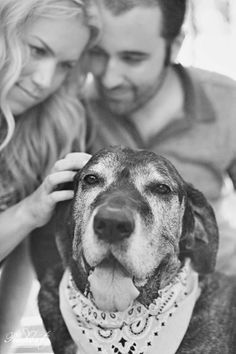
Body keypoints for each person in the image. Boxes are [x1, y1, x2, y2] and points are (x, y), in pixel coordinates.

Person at [83, 0, 236, 275]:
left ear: (175, 45)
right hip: (104, 286)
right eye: (98, 53)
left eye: (133, 58)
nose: (109, 79)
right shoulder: (74, 110)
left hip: (214, 280)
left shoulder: (229, 104)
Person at [0, 0, 96, 352]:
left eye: (64, 66)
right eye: (37, 50)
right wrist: (27, 211)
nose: (44, 81)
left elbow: (22, 259)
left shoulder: (45, 129)